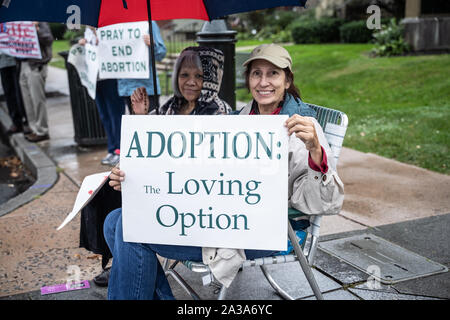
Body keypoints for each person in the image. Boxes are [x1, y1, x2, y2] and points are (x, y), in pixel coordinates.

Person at [104, 44, 344, 300]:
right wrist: (136, 172)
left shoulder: (303, 127)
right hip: (220, 215)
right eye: (256, 74)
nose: (264, 82)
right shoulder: (241, 117)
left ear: (287, 81)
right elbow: (194, 166)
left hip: (269, 229)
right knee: (114, 221)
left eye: (273, 73)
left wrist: (316, 153)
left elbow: (323, 203)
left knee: (132, 231)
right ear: (248, 80)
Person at [117, 21, 166, 116]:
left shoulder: (149, 24)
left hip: (147, 88)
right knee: (135, 126)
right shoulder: (116, 27)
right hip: (126, 88)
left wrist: (153, 44)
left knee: (151, 126)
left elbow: (161, 54)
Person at [19, 22, 53, 142]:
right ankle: (35, 129)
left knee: (37, 99)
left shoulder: (40, 21)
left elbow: (48, 40)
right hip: (24, 64)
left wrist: (36, 29)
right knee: (28, 100)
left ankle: (42, 130)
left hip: (36, 65)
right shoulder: (20, 22)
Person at [0, 53, 29, 135]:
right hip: (2, 63)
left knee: (20, 92)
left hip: (16, 60)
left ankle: (27, 122)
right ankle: (16, 122)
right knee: (8, 93)